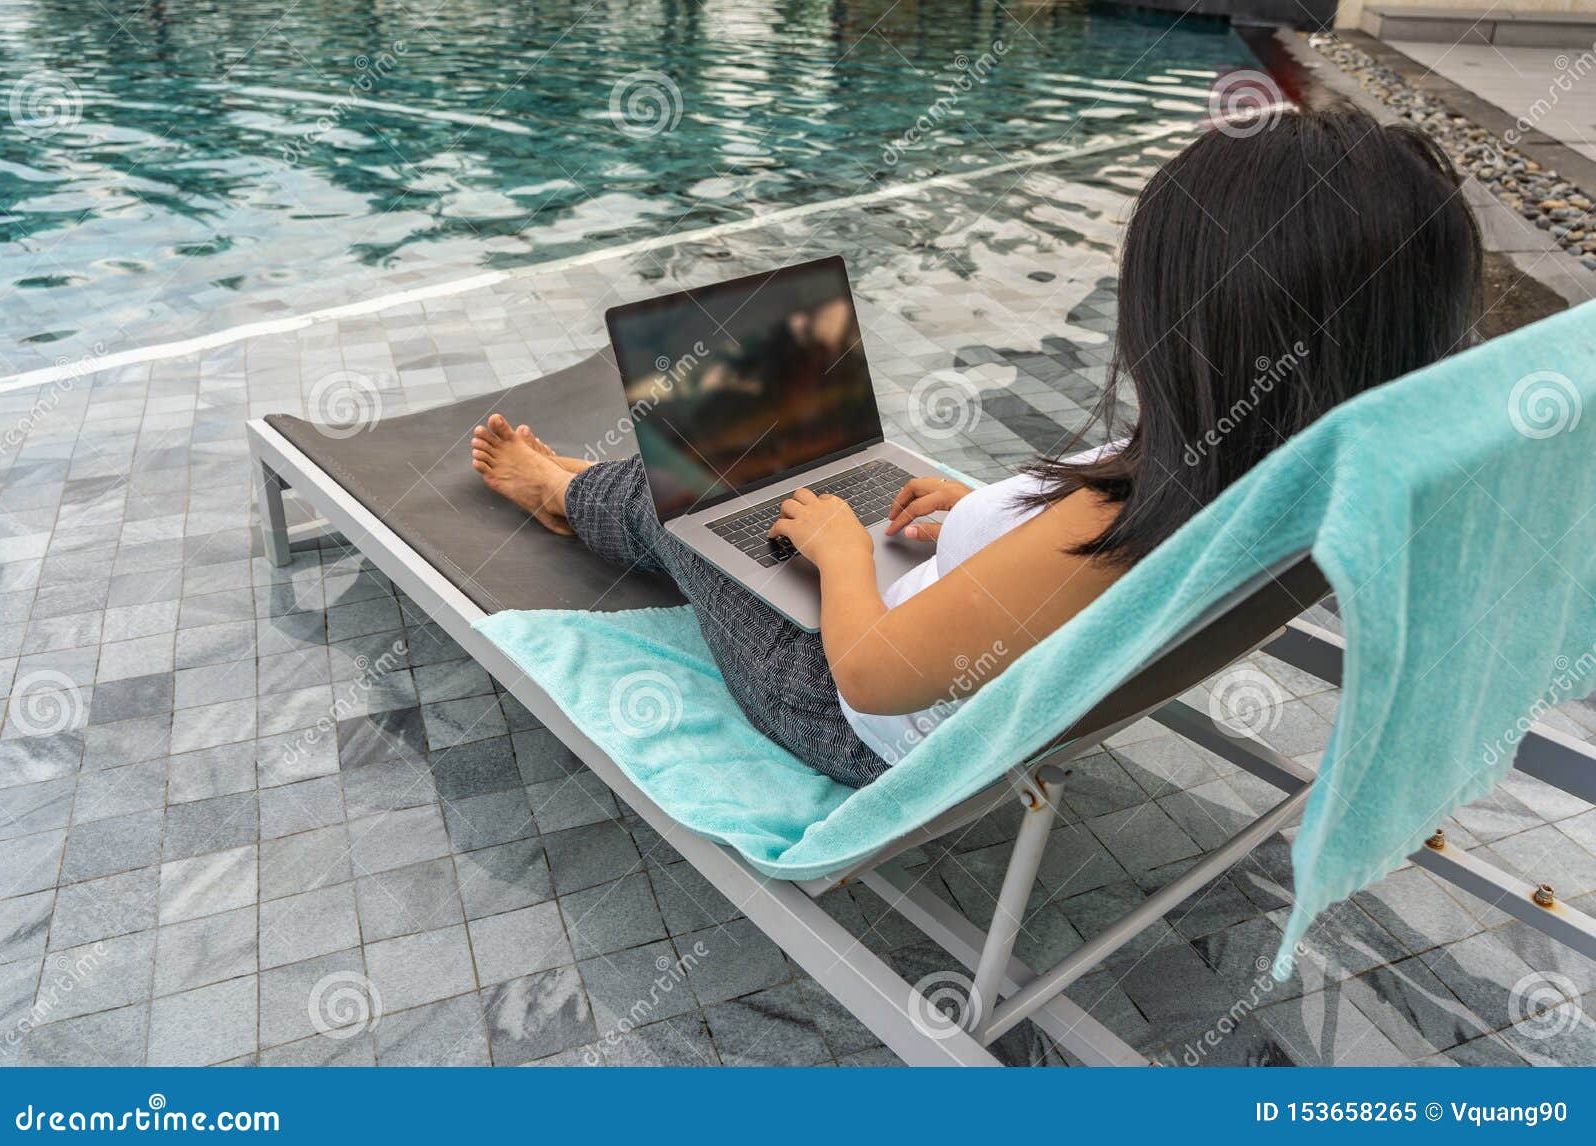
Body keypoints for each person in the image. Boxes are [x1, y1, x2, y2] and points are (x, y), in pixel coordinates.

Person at [469, 102, 1482, 787]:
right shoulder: (1288, 473)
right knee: (778, 483)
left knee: (688, 492)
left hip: (839, 703)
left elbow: (866, 676)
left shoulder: (1111, 527)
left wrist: (834, 551)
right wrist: (977, 513)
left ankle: (565, 495)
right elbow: (1056, 572)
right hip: (950, 625)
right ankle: (639, 492)